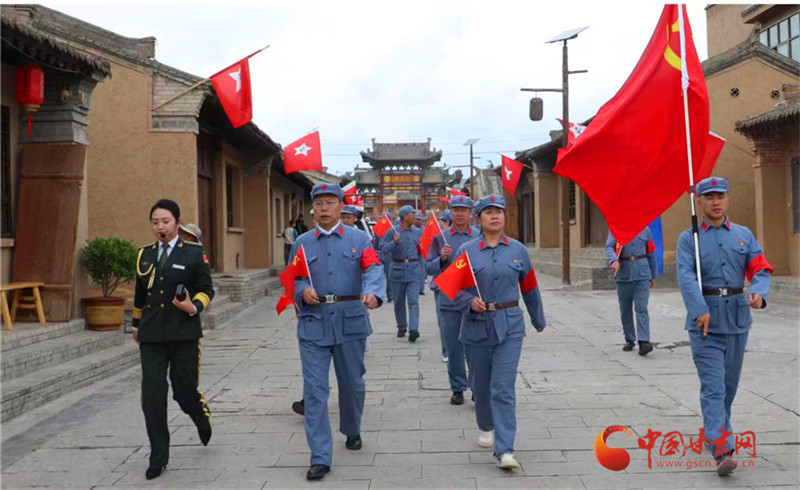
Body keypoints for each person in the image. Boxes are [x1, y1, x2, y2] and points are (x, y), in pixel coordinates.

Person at [676, 176, 772, 476]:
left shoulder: (743, 235)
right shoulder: (688, 238)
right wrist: (699, 309)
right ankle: (722, 449)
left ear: (727, 200)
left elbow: (761, 267)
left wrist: (758, 291)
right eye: (710, 197)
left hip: (738, 321)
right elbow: (686, 276)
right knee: (714, 388)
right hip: (706, 323)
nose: (716, 202)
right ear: (700, 202)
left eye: (721, 196)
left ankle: (712, 430)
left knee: (728, 389)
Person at [288, 183, 384, 481]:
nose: (324, 209)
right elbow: (294, 279)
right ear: (312, 209)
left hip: (350, 321)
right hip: (314, 324)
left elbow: (373, 269)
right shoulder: (302, 242)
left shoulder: (359, 240)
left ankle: (352, 429)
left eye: (330, 203)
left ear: (342, 207)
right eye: (319, 204)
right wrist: (303, 292)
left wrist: (372, 292)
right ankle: (320, 456)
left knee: (352, 384)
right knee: (315, 391)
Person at [453, 194, 545, 470]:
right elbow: (452, 289)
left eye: (499, 212)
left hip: (510, 325)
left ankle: (504, 449)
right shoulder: (466, 251)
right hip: (476, 326)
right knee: (480, 386)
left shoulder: (518, 251)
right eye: (489, 212)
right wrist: (469, 302)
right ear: (478, 219)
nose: (495, 216)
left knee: (503, 387)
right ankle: (486, 424)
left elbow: (529, 286)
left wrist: (538, 319)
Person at [132, 199, 214, 480]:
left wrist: (193, 307)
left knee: (184, 392)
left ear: (177, 223)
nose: (160, 227)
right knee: (152, 395)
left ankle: (200, 415)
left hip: (184, 334)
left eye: (165, 221)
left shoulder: (193, 252)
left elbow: (206, 289)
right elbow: (140, 295)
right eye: (155, 222)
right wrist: (135, 325)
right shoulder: (144, 255)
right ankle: (158, 456)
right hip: (152, 335)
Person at [427, 197, 478, 404]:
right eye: (456, 210)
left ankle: (477, 386)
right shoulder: (441, 238)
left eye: (464, 210)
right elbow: (428, 268)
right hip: (448, 300)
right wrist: (441, 259)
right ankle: (457, 387)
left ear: (471, 213)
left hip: (474, 300)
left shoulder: (478, 236)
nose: (459, 214)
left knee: (474, 348)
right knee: (454, 347)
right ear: (451, 212)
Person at [605, 227, 658, 355]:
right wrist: (613, 260)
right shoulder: (616, 228)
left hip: (642, 273)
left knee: (641, 308)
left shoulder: (645, 229)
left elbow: (651, 252)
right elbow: (609, 247)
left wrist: (652, 274)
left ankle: (644, 341)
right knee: (625, 309)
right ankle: (630, 339)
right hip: (623, 273)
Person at [382, 205, 423, 342]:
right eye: (412, 214)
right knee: (399, 302)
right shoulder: (392, 231)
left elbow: (422, 249)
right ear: (405, 216)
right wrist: (394, 242)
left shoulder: (417, 232)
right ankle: (402, 326)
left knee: (413, 301)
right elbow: (383, 249)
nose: (415, 216)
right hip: (397, 269)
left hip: (413, 269)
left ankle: (413, 329)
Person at [378, 211, 395, 303]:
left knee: (389, 277)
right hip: (380, 255)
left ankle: (390, 296)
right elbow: (375, 244)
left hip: (388, 256)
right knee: (379, 277)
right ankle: (380, 296)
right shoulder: (377, 230)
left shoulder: (392, 230)